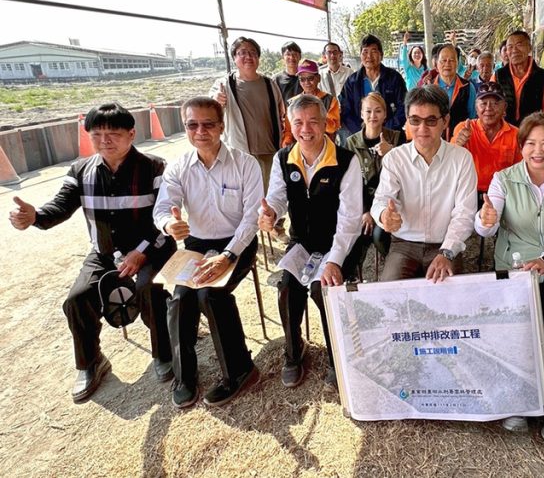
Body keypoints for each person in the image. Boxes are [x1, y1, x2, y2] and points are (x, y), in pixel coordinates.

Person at [9, 103, 176, 402]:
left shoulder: (155, 168)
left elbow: (163, 218)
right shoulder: (80, 171)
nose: (104, 140)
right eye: (96, 134)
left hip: (152, 249)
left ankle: (164, 352)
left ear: (131, 134)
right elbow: (60, 206)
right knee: (76, 299)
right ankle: (91, 362)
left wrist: (140, 252)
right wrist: (35, 216)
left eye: (113, 134)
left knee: (149, 288)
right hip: (105, 253)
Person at [476, 112, 544, 446]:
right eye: (530, 144)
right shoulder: (504, 179)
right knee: (514, 334)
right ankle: (518, 401)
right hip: (512, 270)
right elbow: (486, 227)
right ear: (521, 146)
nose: (538, 151)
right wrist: (485, 220)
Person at [153, 97, 262, 409]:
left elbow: (251, 218)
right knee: (180, 299)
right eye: (192, 125)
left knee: (210, 295)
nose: (200, 131)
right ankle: (184, 376)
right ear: (185, 127)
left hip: (237, 243)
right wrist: (169, 224)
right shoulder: (178, 167)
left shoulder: (245, 164)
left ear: (221, 126)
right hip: (196, 246)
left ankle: (241, 370)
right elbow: (163, 207)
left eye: (208, 124)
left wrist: (228, 255)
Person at [259, 94, 363, 389]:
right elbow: (277, 198)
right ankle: (293, 353)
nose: (305, 129)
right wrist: (270, 213)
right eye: (298, 123)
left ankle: (338, 356)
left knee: (322, 289)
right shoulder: (283, 159)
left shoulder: (346, 161)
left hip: (340, 243)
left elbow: (350, 219)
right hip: (302, 242)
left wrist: (334, 261)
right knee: (287, 288)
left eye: (313, 121)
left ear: (326, 123)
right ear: (289, 125)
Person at [371, 86, 477, 282]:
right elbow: (381, 199)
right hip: (404, 245)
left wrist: (447, 252)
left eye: (431, 120)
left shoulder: (462, 159)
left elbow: (465, 213)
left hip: (445, 243)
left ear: (445, 121)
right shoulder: (395, 158)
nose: (422, 128)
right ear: (407, 121)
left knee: (451, 299)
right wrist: (384, 215)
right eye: (415, 120)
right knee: (390, 296)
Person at [208, 36, 285, 192]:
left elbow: (281, 113)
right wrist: (216, 99)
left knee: (267, 195)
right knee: (240, 195)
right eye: (242, 52)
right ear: (234, 58)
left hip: (268, 151)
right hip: (238, 153)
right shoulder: (224, 85)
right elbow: (210, 108)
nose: (248, 56)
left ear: (258, 58)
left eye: (253, 53)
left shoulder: (270, 84)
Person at [345, 92, 404, 272]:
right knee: (354, 234)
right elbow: (350, 183)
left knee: (380, 235)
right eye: (368, 111)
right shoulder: (351, 143)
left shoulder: (397, 137)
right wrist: (365, 211)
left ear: (385, 114)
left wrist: (391, 152)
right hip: (360, 203)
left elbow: (406, 175)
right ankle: (352, 275)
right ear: (361, 114)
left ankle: (395, 267)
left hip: (390, 202)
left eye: (378, 111)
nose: (373, 116)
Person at [451, 81, 522, 195]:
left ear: (504, 107)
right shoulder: (463, 128)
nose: (488, 108)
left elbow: (521, 171)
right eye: (483, 103)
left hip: (504, 194)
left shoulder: (516, 134)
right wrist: (458, 146)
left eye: (495, 103)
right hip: (469, 193)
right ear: (476, 107)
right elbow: (450, 164)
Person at [340, 34, 407, 136]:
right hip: (361, 137)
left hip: (391, 135)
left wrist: (386, 130)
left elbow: (404, 105)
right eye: (365, 52)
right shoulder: (352, 82)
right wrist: (363, 134)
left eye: (374, 51)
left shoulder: (394, 78)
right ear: (360, 55)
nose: (369, 56)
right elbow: (346, 112)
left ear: (381, 55)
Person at [494, 30, 544, 126]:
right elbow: (491, 105)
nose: (514, 50)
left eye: (519, 45)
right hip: (504, 130)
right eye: (510, 47)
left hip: (531, 129)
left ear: (529, 48)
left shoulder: (543, 76)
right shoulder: (498, 75)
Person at [418, 44, 476, 139]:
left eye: (452, 60)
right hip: (435, 140)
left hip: (461, 140)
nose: (447, 64)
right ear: (436, 64)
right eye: (443, 60)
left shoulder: (468, 87)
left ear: (457, 63)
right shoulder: (428, 88)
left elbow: (472, 118)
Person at [282, 60, 340, 146]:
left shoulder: (330, 100)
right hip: (300, 148)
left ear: (318, 78)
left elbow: (332, 128)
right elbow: (288, 130)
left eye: (310, 78)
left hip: (325, 147)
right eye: (302, 79)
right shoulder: (292, 103)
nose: (307, 83)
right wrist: (287, 142)